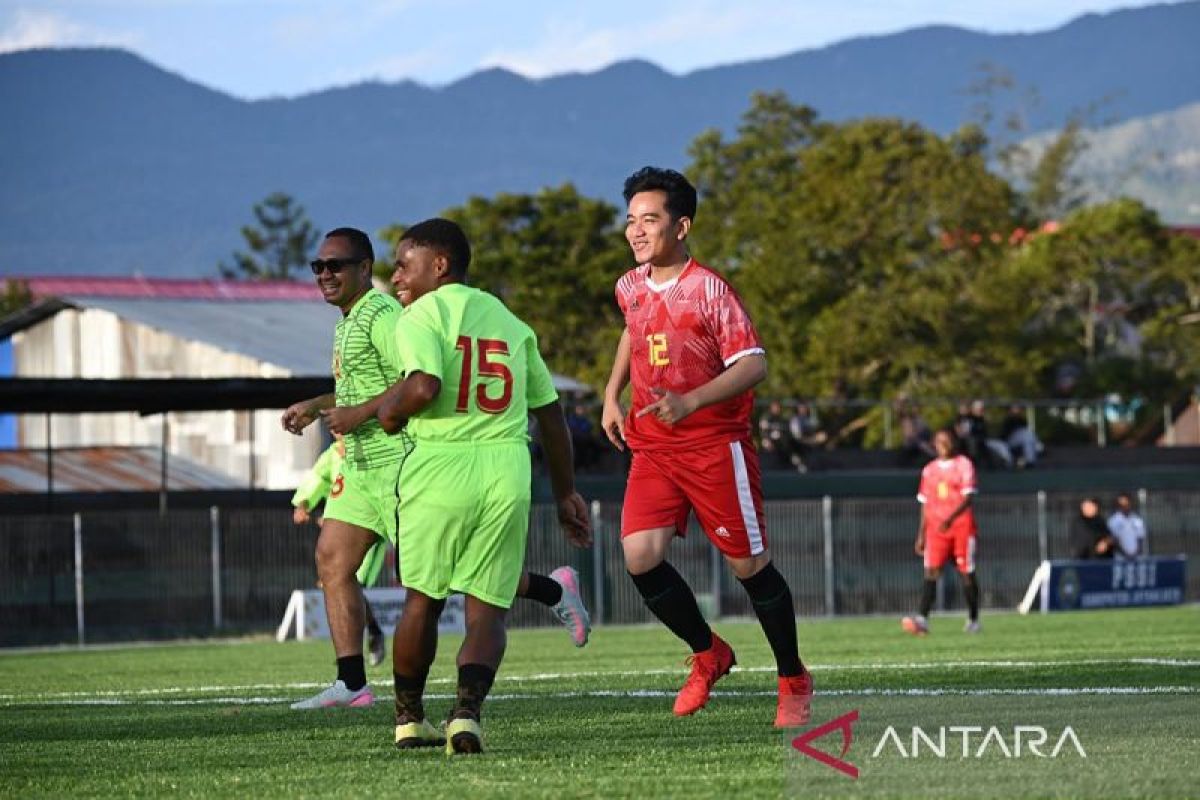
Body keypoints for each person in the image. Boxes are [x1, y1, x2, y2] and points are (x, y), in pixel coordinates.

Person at [283, 227, 591, 713]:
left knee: (444, 583)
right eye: (318, 266)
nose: (325, 274)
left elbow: (413, 385)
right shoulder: (350, 321)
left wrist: (367, 415)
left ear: (364, 270)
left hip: (406, 460)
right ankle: (352, 683)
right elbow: (384, 384)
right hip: (364, 465)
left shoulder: (390, 315)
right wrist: (320, 403)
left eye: (336, 265)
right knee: (333, 560)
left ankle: (551, 590)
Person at [600, 166, 812, 729]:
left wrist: (692, 401)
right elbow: (631, 328)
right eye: (631, 221)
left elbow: (755, 364)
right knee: (639, 557)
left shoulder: (710, 289)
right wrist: (611, 392)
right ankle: (708, 652)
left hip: (716, 446)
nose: (637, 231)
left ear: (682, 226)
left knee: (749, 567)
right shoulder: (629, 285)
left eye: (650, 220)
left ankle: (793, 676)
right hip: (654, 448)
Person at [375, 218, 592, 755]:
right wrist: (565, 492)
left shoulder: (420, 314)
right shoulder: (511, 323)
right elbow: (550, 413)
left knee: (421, 602)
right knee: (487, 609)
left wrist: (388, 411)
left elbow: (423, 385)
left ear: (440, 265)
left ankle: (408, 719)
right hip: (506, 470)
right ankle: (466, 716)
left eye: (405, 263)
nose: (396, 275)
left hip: (440, 467)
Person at [290, 434, 387, 667]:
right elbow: (317, 477)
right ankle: (359, 646)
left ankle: (360, 646)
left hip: (371, 527)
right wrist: (304, 503)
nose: (339, 431)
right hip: (345, 528)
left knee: (347, 583)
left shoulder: (374, 448)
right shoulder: (332, 455)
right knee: (340, 583)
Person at [901, 428, 982, 635]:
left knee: (966, 573)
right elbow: (925, 504)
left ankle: (973, 619)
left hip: (961, 526)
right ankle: (923, 618)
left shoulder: (964, 465)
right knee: (931, 571)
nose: (943, 444)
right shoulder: (929, 470)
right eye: (939, 441)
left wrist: (951, 518)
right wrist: (921, 533)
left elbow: (968, 497)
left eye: (947, 440)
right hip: (936, 529)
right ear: (934, 444)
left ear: (954, 442)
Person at [1108, 493, 1147, 559]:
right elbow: (1114, 540)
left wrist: (1136, 553)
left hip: (1137, 557)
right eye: (1122, 504)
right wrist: (1125, 554)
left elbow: (1140, 538)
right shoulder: (1113, 521)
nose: (1125, 506)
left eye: (1127, 503)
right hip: (1120, 559)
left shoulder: (1137, 519)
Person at [1000, 404, 1041, 468]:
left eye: (1017, 408)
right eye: (1014, 409)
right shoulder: (1008, 420)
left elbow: (1025, 429)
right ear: (1010, 410)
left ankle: (1031, 460)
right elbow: (1004, 435)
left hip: (1023, 440)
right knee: (1027, 435)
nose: (1017, 410)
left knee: (1028, 438)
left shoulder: (1021, 419)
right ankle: (1038, 447)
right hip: (1010, 442)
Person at [758, 400, 792, 469]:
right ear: (771, 408)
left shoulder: (782, 419)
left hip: (781, 446)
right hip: (769, 444)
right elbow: (763, 432)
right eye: (775, 407)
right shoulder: (766, 418)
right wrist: (768, 440)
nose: (777, 409)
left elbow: (786, 433)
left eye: (778, 407)